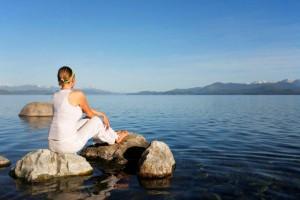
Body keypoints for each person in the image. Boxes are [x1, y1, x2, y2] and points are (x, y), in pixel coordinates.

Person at [48, 66, 128, 154]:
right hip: (67, 146)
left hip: (52, 144)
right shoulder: (77, 94)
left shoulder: (55, 95)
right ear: (73, 79)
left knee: (87, 120)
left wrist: (102, 114)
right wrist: (102, 117)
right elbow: (91, 114)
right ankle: (115, 138)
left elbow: (82, 110)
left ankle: (110, 134)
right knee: (96, 121)